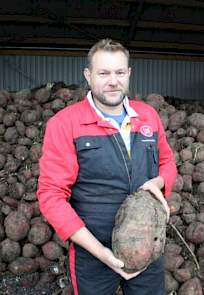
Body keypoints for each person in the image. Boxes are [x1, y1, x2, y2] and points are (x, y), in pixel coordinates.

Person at [37, 38, 177, 295]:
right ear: (88, 76)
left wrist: (159, 183)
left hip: (147, 245)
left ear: (129, 74)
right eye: (103, 73)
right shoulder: (65, 123)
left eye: (120, 72)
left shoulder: (148, 116)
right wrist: (100, 252)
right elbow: (51, 195)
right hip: (93, 252)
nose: (113, 80)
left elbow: (167, 162)